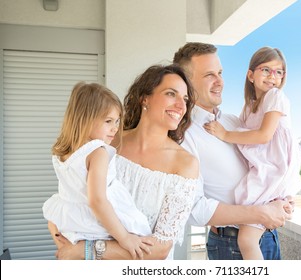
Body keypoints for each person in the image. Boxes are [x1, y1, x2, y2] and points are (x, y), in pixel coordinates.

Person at [49, 64, 200, 260]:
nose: (181, 106)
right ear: (144, 98)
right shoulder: (106, 144)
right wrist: (62, 239)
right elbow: (70, 197)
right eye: (171, 94)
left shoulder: (185, 164)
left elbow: (160, 249)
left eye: (185, 99)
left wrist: (84, 250)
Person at [173, 42, 294, 260]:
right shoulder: (184, 136)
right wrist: (262, 212)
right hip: (232, 245)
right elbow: (193, 209)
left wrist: (279, 197)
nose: (220, 81)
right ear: (187, 83)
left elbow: (266, 161)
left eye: (220, 72)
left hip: (267, 235)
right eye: (209, 75)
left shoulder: (233, 122)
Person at [203, 47, 301, 259]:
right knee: (247, 230)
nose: (272, 77)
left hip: (273, 169)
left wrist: (225, 134)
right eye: (266, 70)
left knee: (246, 239)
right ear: (250, 75)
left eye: (279, 72)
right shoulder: (250, 106)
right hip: (264, 169)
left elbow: (263, 136)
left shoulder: (275, 97)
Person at [43, 82, 153, 259]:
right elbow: (97, 200)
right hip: (97, 225)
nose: (115, 128)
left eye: (117, 121)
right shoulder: (97, 152)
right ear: (85, 119)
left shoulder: (63, 152)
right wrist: (124, 238)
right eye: (108, 121)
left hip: (75, 225)